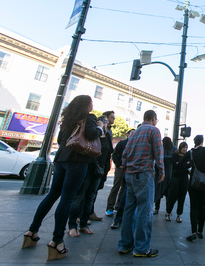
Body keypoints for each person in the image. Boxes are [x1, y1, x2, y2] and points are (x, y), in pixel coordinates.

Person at [22, 95, 104, 261]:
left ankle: (32, 232)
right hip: (78, 160)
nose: (92, 106)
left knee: (52, 195)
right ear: (86, 105)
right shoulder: (89, 117)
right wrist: (100, 128)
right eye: (91, 103)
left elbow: (61, 140)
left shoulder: (68, 118)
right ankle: (57, 242)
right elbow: (90, 133)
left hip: (61, 159)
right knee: (67, 198)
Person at [118, 110, 163, 258]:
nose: (157, 122)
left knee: (129, 210)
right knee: (145, 211)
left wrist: (125, 167)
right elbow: (158, 153)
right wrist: (161, 171)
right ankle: (142, 248)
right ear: (153, 118)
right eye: (156, 119)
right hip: (144, 174)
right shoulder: (154, 131)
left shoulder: (135, 132)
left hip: (130, 175)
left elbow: (124, 154)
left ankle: (125, 245)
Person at [67, 114, 113, 236]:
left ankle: (83, 223)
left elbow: (109, 153)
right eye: (103, 121)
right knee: (80, 195)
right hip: (89, 166)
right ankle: (72, 225)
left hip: (100, 169)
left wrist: (106, 169)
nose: (105, 123)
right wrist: (97, 128)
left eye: (106, 122)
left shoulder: (107, 136)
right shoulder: (93, 133)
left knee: (91, 196)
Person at [179, 135, 205, 241]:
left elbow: (180, 163)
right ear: (202, 141)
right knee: (202, 206)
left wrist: (188, 168)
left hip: (193, 182)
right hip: (204, 182)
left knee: (194, 207)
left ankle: (193, 231)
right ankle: (200, 231)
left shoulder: (191, 152)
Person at [109, 129, 135, 229]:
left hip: (130, 171)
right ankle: (111, 208)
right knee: (117, 187)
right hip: (123, 169)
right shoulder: (123, 143)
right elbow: (117, 155)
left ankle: (117, 208)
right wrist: (120, 165)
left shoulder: (135, 143)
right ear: (128, 134)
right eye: (132, 133)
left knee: (124, 190)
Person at [165, 142, 189, 223]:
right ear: (180, 147)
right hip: (175, 178)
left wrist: (180, 164)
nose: (185, 149)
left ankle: (179, 215)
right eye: (183, 147)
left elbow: (188, 166)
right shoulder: (175, 155)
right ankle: (168, 213)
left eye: (186, 147)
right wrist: (184, 164)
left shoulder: (188, 156)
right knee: (172, 196)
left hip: (184, 179)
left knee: (182, 197)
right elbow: (175, 165)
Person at [154, 137, 176, 217]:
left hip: (165, 172)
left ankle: (164, 209)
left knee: (165, 192)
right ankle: (161, 209)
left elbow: (173, 158)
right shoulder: (167, 148)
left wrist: (163, 157)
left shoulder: (172, 149)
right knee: (161, 191)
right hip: (164, 172)